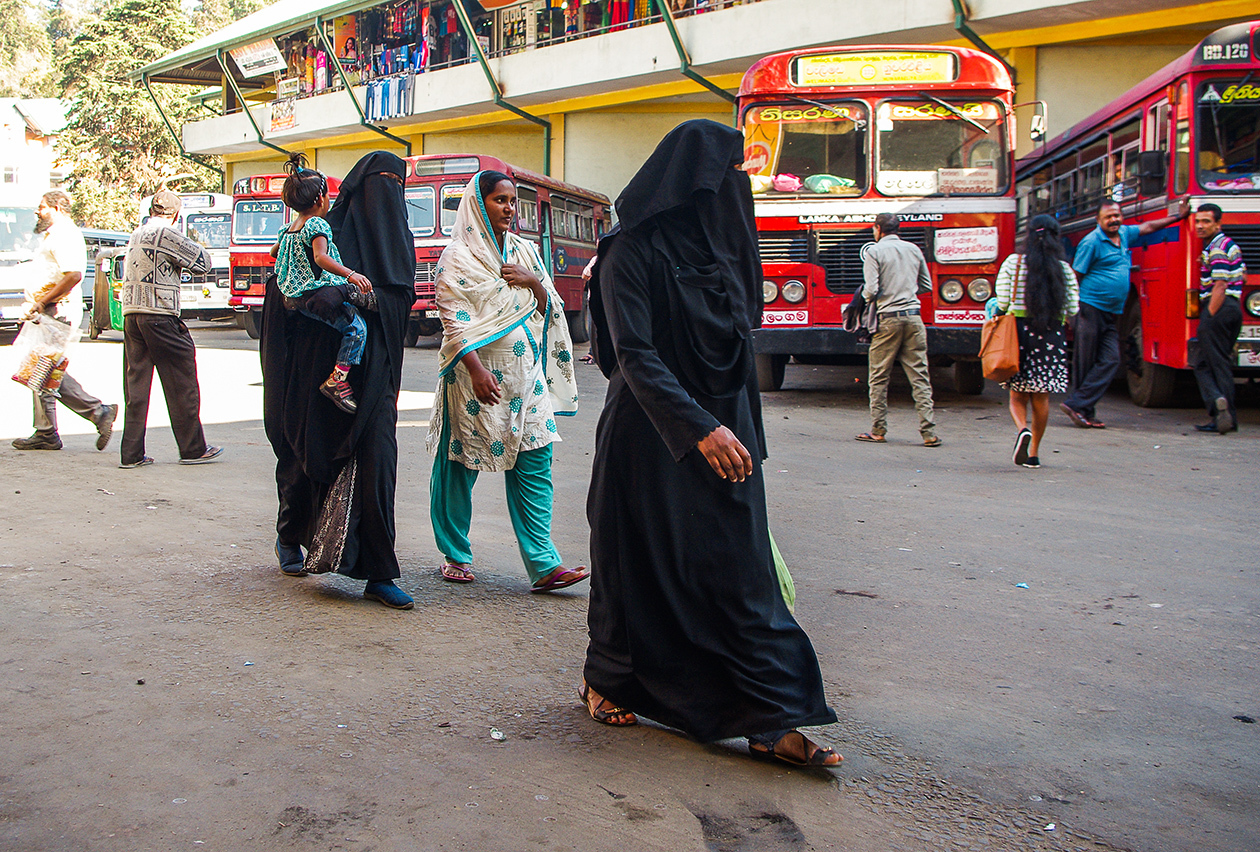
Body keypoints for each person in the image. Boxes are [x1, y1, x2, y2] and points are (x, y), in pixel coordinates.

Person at [583, 120, 840, 767]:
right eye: (730, 177)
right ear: (695, 183)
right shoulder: (628, 251)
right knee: (636, 570)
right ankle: (605, 678)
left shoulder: (723, 251)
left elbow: (738, 342)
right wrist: (699, 426)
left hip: (730, 440)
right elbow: (634, 356)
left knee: (742, 577)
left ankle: (769, 715)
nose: (740, 190)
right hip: (651, 438)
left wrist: (736, 430)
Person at [260, 151, 415, 610]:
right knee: (303, 457)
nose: (385, 196)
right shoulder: (325, 232)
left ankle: (379, 572)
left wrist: (355, 299)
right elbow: (284, 296)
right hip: (315, 378)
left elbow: (398, 301)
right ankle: (291, 536)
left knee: (378, 462)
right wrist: (324, 299)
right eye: (378, 183)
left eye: (394, 185)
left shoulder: (395, 242)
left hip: (376, 380)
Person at [425, 170, 586, 593]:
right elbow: (452, 318)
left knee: (536, 461)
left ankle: (544, 565)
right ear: (479, 204)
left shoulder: (523, 251)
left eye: (513, 202)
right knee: (459, 465)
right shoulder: (457, 257)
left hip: (525, 378)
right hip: (473, 379)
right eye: (500, 200)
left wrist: (533, 282)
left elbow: (547, 302)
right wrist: (476, 370)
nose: (510, 209)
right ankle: (455, 552)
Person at [1061, 199, 1189, 428]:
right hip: (1090, 308)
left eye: (1117, 216)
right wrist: (1071, 311)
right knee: (1085, 362)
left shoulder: (1124, 235)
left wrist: (1177, 217)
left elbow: (1148, 227)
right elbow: (1074, 276)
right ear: (1099, 221)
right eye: (1109, 217)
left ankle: (1078, 404)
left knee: (1111, 359)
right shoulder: (1091, 242)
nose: (1114, 220)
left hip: (1110, 313)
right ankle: (1084, 412)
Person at [118, 190, 222, 469]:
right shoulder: (167, 234)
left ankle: (131, 454)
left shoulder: (136, 234)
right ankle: (193, 449)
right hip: (160, 315)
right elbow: (203, 263)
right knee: (181, 381)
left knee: (136, 386)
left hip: (132, 315)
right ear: (175, 214)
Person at [11, 190, 117, 453]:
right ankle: (48, 430)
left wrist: (42, 300)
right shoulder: (56, 235)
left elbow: (74, 276)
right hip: (50, 310)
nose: (38, 212)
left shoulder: (65, 235)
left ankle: (95, 412)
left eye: (42, 207)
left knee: (44, 371)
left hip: (57, 310)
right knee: (41, 371)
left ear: (57, 208)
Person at [269, 153, 372, 414]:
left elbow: (273, 252)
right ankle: (337, 381)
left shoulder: (289, 227)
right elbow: (320, 257)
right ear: (320, 199)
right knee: (356, 330)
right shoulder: (316, 224)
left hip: (291, 297)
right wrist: (351, 274)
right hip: (314, 293)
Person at [994, 215, 1080, 469]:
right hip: (1051, 336)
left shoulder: (1014, 263)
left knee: (1017, 394)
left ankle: (1022, 429)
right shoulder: (1064, 269)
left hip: (1018, 334)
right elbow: (1073, 308)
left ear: (1029, 236)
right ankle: (1034, 454)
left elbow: (1001, 303)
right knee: (1041, 397)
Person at [854, 212, 940, 447]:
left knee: (879, 377)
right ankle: (929, 433)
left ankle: (878, 430)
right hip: (914, 318)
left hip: (888, 320)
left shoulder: (874, 251)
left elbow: (871, 290)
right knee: (920, 376)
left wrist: (862, 299)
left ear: (878, 229)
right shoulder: (913, 249)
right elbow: (926, 285)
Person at [1191, 203, 1245, 434]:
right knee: (1215, 363)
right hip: (1232, 309)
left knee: (1207, 364)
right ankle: (1227, 417)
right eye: (1198, 221)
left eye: (1206, 222)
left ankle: (1217, 403)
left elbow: (1220, 285)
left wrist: (1209, 317)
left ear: (1217, 224)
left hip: (1220, 309)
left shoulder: (1217, 249)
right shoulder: (1226, 245)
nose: (1200, 226)